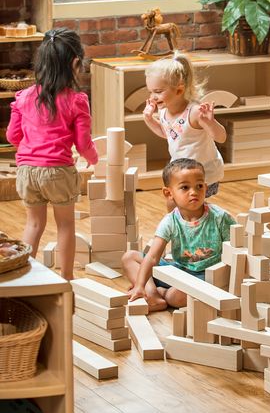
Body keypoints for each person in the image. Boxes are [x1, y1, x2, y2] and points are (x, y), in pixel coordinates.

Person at [6, 28, 98, 280]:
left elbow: (12, 137)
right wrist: (94, 159)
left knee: (34, 225)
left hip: (26, 171)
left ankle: (26, 277)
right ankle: (65, 279)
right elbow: (83, 142)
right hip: (57, 172)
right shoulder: (76, 100)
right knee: (65, 224)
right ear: (76, 63)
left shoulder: (23, 97)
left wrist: (31, 148)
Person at [123, 158, 236, 311]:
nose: (194, 192)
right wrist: (140, 285)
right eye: (185, 187)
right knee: (129, 257)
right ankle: (151, 294)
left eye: (199, 186)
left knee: (174, 297)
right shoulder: (170, 221)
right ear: (169, 193)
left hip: (207, 276)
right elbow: (153, 257)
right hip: (178, 270)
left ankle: (162, 294)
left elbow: (236, 251)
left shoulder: (220, 218)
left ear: (206, 187)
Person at [142, 52, 226, 210]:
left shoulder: (193, 112)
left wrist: (210, 122)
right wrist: (150, 120)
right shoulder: (163, 112)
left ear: (179, 90)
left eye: (158, 91)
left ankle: (204, 227)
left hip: (204, 174)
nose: (153, 97)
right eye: (150, 92)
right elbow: (168, 134)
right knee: (174, 204)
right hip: (182, 173)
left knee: (187, 207)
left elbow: (221, 137)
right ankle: (182, 231)